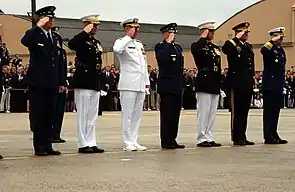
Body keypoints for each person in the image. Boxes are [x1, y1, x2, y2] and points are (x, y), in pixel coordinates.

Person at [21, 6, 66, 156]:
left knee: (49, 115)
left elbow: (58, 61)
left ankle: (48, 145)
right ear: (42, 19)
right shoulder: (35, 35)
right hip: (38, 81)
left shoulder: (55, 37)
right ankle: (39, 146)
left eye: (52, 18)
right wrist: (37, 26)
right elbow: (25, 40)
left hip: (52, 82)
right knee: (39, 114)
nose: (51, 21)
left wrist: (61, 81)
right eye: (48, 18)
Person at [68, 14, 105, 154]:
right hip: (83, 79)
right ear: (86, 25)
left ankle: (91, 141)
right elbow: (72, 44)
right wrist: (84, 32)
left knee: (92, 115)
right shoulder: (81, 40)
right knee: (82, 114)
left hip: (94, 80)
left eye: (96, 25)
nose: (96, 27)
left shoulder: (95, 42)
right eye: (93, 25)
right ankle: (82, 143)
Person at [113, 17, 150, 151]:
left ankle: (134, 140)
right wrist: (128, 37)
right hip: (128, 84)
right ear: (127, 29)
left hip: (140, 84)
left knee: (137, 115)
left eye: (137, 28)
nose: (136, 31)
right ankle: (127, 141)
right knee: (127, 114)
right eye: (134, 28)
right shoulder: (121, 42)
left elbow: (143, 65)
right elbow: (117, 50)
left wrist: (147, 83)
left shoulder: (139, 44)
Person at [222, 22, 255, 146]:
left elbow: (250, 63)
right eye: (244, 32)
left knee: (245, 111)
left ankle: (243, 135)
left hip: (246, 82)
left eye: (247, 33)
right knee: (237, 111)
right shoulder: (231, 44)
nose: (246, 35)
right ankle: (236, 136)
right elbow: (226, 50)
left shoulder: (247, 46)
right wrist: (236, 38)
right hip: (237, 82)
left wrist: (252, 78)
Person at [191, 21, 222, 147]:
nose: (212, 34)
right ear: (204, 32)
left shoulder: (214, 47)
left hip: (214, 80)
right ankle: (201, 137)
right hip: (204, 80)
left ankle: (209, 135)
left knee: (212, 112)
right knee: (203, 112)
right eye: (210, 32)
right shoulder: (198, 45)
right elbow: (196, 51)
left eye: (213, 31)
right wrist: (202, 38)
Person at [154, 23, 185, 149]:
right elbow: (162, 60)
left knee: (175, 115)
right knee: (167, 114)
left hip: (177, 85)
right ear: (165, 34)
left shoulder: (178, 48)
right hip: (167, 86)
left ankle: (173, 138)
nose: (173, 35)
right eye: (170, 33)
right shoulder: (160, 47)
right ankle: (166, 140)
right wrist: (167, 43)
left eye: (174, 33)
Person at [261, 27, 288, 144]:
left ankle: (274, 132)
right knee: (269, 111)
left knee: (276, 110)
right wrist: (271, 41)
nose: (281, 39)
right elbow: (263, 50)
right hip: (270, 84)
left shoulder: (280, 50)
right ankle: (268, 135)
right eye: (279, 37)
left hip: (277, 84)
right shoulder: (269, 48)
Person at [51, 26, 67, 143]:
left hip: (61, 84)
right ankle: (49, 134)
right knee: (50, 111)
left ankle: (56, 133)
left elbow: (63, 69)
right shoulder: (51, 54)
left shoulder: (62, 53)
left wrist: (63, 83)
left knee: (59, 111)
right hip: (52, 83)